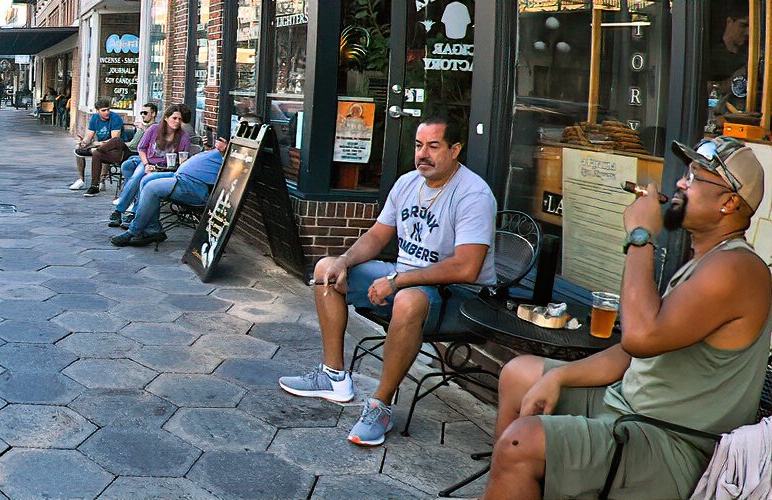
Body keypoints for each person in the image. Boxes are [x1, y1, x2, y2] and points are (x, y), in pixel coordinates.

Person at [485, 137, 772, 499]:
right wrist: (560, 376)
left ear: (729, 202)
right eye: (687, 173)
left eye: (697, 178)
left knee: (520, 445)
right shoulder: (707, 261)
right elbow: (634, 352)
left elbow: (640, 337)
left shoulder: (737, 268)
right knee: (519, 376)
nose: (681, 183)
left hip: (669, 443)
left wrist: (641, 236)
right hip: (629, 406)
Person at [278, 114, 497, 446]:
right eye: (419, 145)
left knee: (409, 300)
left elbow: (466, 268)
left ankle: (380, 405)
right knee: (326, 270)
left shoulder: (473, 195)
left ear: (455, 150)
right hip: (405, 277)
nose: (423, 154)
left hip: (456, 296)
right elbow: (378, 235)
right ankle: (334, 376)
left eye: (434, 146)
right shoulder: (408, 183)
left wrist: (398, 282)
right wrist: (344, 260)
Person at [109, 104, 194, 228]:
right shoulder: (154, 129)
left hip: (165, 169)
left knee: (145, 180)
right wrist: (147, 164)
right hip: (147, 162)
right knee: (137, 176)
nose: (177, 122)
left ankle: (134, 214)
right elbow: (141, 148)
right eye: (174, 118)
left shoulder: (183, 137)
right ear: (166, 118)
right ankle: (118, 211)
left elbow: (182, 161)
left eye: (180, 119)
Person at [72, 98, 125, 196]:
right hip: (99, 144)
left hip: (116, 147)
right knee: (78, 150)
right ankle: (81, 180)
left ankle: (101, 181)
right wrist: (83, 142)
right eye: (103, 110)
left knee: (100, 150)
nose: (107, 112)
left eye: (108, 109)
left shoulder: (115, 118)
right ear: (97, 111)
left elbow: (115, 140)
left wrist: (98, 143)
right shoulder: (95, 118)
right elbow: (89, 136)